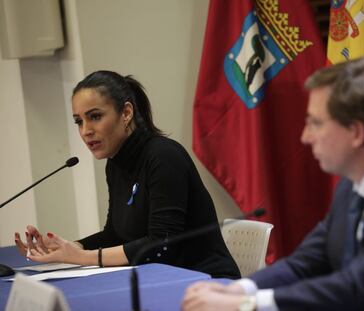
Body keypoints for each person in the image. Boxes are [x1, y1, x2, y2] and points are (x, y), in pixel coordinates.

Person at [181, 55, 364, 310]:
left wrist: (247, 304)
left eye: (315, 123)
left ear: (356, 132)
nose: (305, 137)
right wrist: (237, 289)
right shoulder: (353, 183)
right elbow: (306, 261)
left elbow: (360, 286)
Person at [14, 70, 240, 279]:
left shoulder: (163, 156)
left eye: (95, 116)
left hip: (205, 282)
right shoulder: (115, 164)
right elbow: (116, 234)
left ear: (126, 113)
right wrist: (69, 247)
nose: (85, 131)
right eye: (79, 121)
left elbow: (163, 245)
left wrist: (84, 258)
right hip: (159, 280)